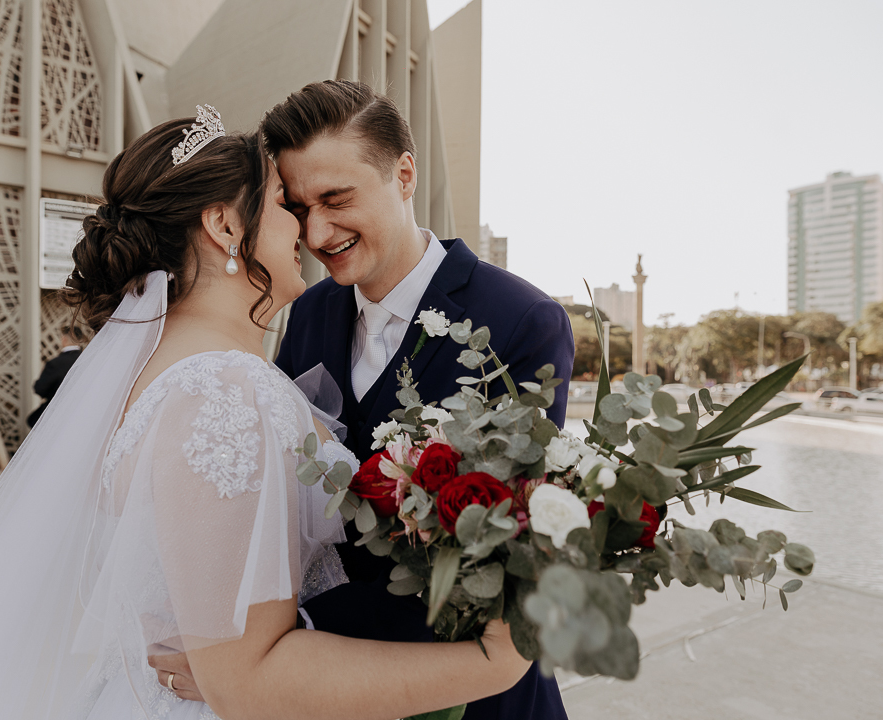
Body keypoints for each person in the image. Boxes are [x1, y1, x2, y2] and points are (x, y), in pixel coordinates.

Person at [0, 107, 531, 720]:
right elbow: (248, 681)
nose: (306, 227)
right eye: (283, 204)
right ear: (223, 225)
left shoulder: (168, 374)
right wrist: (490, 664)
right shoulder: (223, 392)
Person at [153, 81, 574, 720]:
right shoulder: (307, 309)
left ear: (404, 174)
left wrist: (274, 643)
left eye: (336, 198)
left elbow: (499, 552)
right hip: (322, 691)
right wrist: (232, 641)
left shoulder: (520, 319)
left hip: (468, 692)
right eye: (297, 206)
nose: (317, 231)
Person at [26, 326, 83, 427]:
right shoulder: (88, 360)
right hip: (81, 413)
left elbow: (39, 389)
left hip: (56, 415)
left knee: (33, 420)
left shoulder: (55, 364)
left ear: (64, 339)